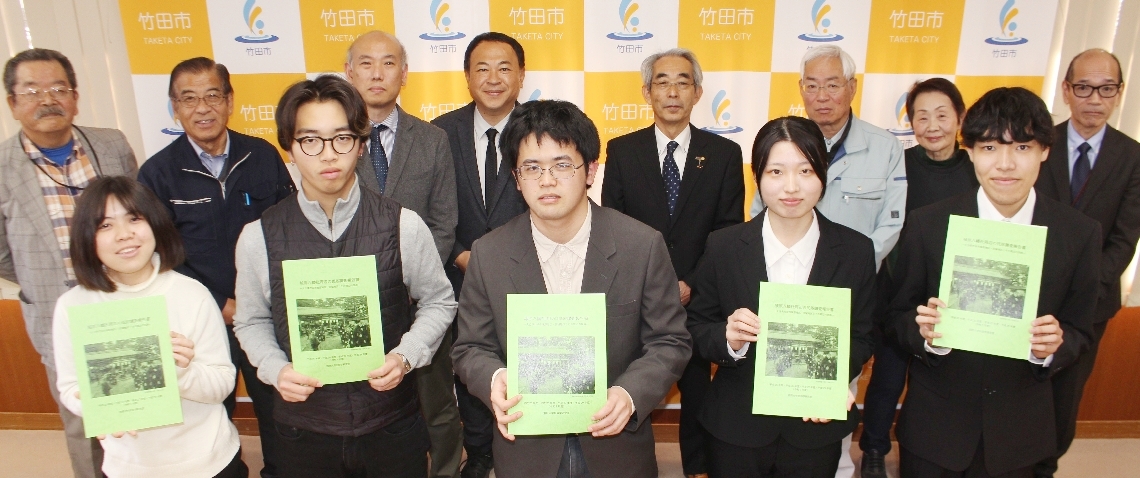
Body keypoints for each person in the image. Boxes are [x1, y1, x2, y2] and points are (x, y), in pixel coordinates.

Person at [231, 75, 456, 478]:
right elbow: (251, 320)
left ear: (361, 144)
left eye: (342, 138)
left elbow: (439, 301)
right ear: (289, 146)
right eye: (310, 140)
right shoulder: (259, 236)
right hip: (304, 428)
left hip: (390, 423)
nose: (328, 154)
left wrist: (406, 355)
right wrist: (275, 368)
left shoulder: (402, 224)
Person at [451, 100, 691, 477]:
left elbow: (670, 340)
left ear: (590, 170)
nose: (547, 180)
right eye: (532, 167)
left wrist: (629, 394)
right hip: (526, 450)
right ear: (516, 178)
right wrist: (495, 379)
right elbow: (470, 347)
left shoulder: (641, 246)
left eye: (562, 165)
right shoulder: (489, 253)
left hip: (616, 447)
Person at [890, 87, 1100, 477]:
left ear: (1044, 151)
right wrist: (925, 334)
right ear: (969, 151)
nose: (1005, 164)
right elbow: (897, 315)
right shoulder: (929, 224)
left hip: (1019, 434)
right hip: (936, 429)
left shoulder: (1078, 234)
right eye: (989, 147)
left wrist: (1051, 347)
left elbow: (1080, 330)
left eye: (1021, 147)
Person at [686, 116, 875, 477]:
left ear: (823, 174)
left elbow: (863, 336)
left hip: (814, 428)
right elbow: (695, 327)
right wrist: (728, 338)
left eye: (805, 171)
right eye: (776, 172)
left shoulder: (855, 251)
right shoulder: (724, 246)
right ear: (757, 176)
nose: (791, 186)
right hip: (737, 427)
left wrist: (831, 378)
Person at [748, 44, 905, 477]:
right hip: (782, 289)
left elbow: (891, 223)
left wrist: (850, 269)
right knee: (774, 388)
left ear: (852, 87)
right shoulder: (780, 141)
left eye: (832, 85)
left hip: (847, 291)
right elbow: (759, 212)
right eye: (812, 85)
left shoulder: (884, 146)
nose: (822, 96)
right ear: (801, 88)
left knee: (836, 394)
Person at [137, 56, 294, 477]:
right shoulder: (157, 174)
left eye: (212, 96)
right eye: (189, 99)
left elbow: (288, 230)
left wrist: (263, 301)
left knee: (278, 409)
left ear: (229, 101)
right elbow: (159, 256)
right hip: (199, 320)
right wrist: (218, 304)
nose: (202, 108)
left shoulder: (261, 155)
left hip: (265, 313)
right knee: (207, 410)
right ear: (174, 107)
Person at [601, 48, 745, 478]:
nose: (672, 91)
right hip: (638, 297)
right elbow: (613, 228)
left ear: (697, 92)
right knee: (633, 384)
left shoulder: (723, 153)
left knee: (698, 391)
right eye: (662, 82)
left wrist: (692, 283)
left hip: (698, 298)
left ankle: (697, 468)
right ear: (647, 92)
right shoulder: (622, 150)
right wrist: (655, 285)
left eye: (683, 82)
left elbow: (727, 231)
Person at [0, 47, 138, 478]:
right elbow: (2, 253)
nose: (48, 100)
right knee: (83, 424)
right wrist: (42, 279)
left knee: (142, 406)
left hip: (125, 302)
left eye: (58, 89)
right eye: (32, 91)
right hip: (56, 312)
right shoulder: (2, 166)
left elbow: (140, 216)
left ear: (75, 97)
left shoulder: (111, 145)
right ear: (13, 103)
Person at [52, 176, 245, 478]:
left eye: (134, 219)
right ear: (86, 237)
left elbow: (221, 385)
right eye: (105, 225)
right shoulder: (73, 305)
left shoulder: (191, 293)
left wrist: (179, 371)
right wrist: (95, 406)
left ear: (155, 223)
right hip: (127, 465)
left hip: (207, 461)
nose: (124, 234)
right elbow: (69, 388)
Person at [344, 31, 462, 478]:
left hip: (421, 299)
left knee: (438, 403)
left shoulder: (432, 139)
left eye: (388, 63)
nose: (377, 73)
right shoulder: (334, 141)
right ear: (349, 72)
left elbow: (444, 221)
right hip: (356, 301)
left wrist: (411, 282)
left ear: (404, 73)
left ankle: (446, 470)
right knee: (369, 401)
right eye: (366, 63)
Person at [857, 78, 977, 478]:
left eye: (942, 115)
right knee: (887, 378)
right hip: (898, 293)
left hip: (954, 298)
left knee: (943, 384)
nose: (932, 125)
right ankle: (874, 448)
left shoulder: (977, 169)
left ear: (960, 118)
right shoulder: (899, 165)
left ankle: (936, 450)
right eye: (921, 117)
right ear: (910, 123)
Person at [1033, 48, 1140, 478]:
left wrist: (1082, 290)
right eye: (1084, 88)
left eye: (1106, 88)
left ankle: (1045, 468)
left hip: (1090, 305)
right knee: (1021, 391)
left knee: (1065, 398)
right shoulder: (1038, 145)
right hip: (1033, 297)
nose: (1095, 99)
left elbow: (1124, 238)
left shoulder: (1132, 157)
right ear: (1066, 90)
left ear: (1119, 92)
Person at [430, 32, 530, 478]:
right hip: (458, 274)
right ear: (467, 77)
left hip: (527, 272)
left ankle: (524, 447)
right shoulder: (438, 133)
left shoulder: (540, 127)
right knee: (470, 365)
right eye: (482, 69)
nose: (493, 78)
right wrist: (458, 254)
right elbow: (428, 207)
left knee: (525, 362)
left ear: (521, 75)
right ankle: (480, 453)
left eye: (504, 68)